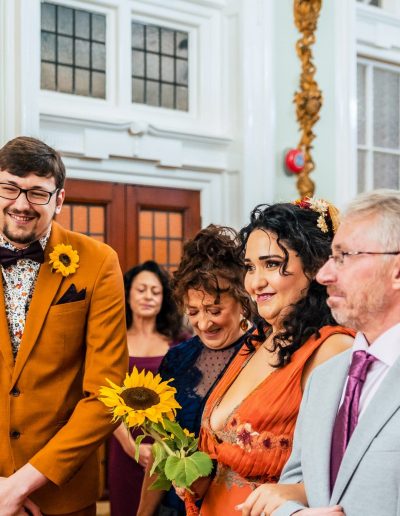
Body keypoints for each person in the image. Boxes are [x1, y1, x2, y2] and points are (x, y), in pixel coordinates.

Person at [198, 200, 355, 516]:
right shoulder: (258, 341)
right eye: (250, 267)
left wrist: (299, 491)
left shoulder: (331, 349)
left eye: (271, 264)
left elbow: (346, 469)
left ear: (314, 267)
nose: (255, 282)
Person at [0, 136, 128, 516]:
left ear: (59, 200)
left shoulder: (99, 262)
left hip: (62, 495)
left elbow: (106, 393)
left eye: (38, 193)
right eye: (9, 188)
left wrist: (19, 485)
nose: (21, 204)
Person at [253, 190, 400, 516]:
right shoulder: (326, 378)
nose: (324, 275)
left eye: (344, 256)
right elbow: (294, 485)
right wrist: (293, 513)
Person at [137, 224, 253, 516]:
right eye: (193, 312)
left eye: (214, 310)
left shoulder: (262, 354)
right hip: (175, 507)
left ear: (242, 299)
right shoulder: (177, 360)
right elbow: (161, 449)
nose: (203, 323)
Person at [108, 260, 185, 516]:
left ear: (164, 299)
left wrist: (165, 447)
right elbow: (101, 396)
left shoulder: (181, 343)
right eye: (141, 290)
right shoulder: (112, 341)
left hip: (171, 449)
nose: (148, 296)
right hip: (124, 447)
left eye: (155, 291)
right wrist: (131, 446)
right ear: (128, 294)